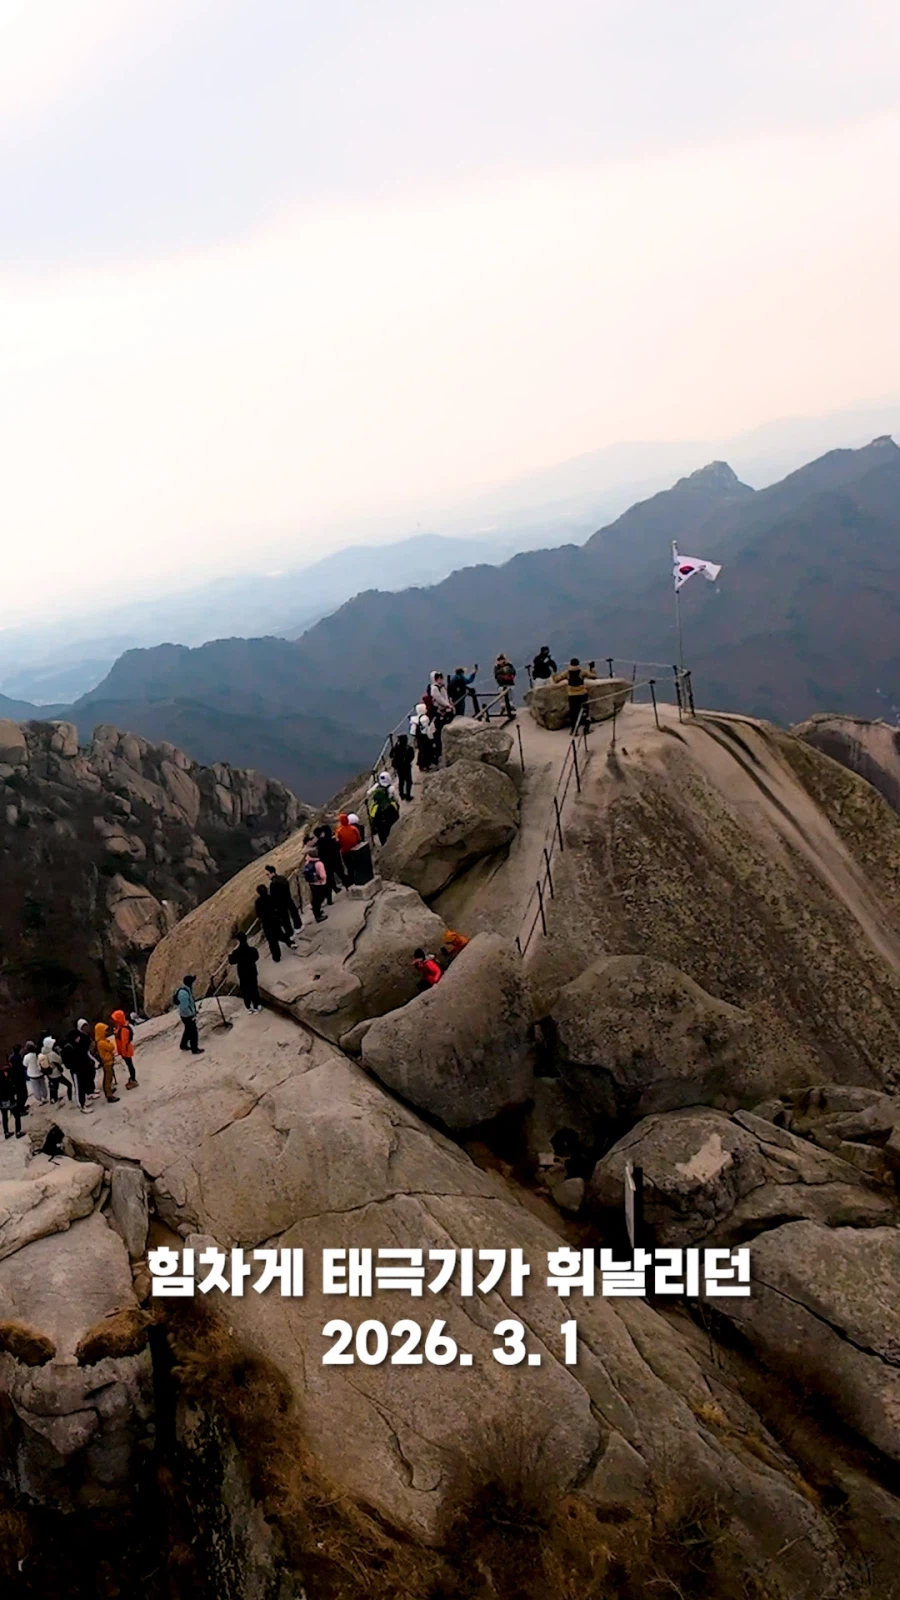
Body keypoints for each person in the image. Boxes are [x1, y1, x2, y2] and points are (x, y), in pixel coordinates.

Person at [553, 657, 598, 731]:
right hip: (582, 695)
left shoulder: (567, 673)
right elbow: (594, 676)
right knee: (585, 712)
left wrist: (554, 673)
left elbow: (556, 680)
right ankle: (586, 728)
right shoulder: (582, 672)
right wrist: (592, 668)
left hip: (572, 695)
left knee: (574, 713)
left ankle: (574, 729)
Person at [255, 883, 294, 962]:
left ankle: (276, 957)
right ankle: (290, 943)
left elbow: (258, 914)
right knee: (280, 934)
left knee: (272, 941)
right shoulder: (272, 898)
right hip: (275, 920)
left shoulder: (258, 902)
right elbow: (278, 907)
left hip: (266, 923)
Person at [265, 862, 302, 935]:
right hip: (288, 898)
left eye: (268, 874)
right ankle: (298, 926)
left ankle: (290, 933)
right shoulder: (283, 878)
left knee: (285, 919)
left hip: (280, 904)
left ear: (272, 873)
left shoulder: (273, 884)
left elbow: (273, 897)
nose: (267, 876)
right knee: (294, 913)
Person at [229, 931, 262, 1012]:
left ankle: (248, 1006)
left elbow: (232, 961)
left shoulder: (236, 952)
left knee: (245, 990)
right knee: (254, 988)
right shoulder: (252, 950)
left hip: (243, 973)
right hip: (252, 971)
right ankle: (257, 1004)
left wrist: (230, 953)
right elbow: (256, 957)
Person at [63, 1029, 94, 1113]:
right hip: (76, 1071)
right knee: (79, 1088)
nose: (79, 1038)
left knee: (83, 1086)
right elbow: (67, 1063)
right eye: (78, 1037)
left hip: (82, 1069)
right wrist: (76, 1065)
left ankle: (83, 1101)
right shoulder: (68, 1048)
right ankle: (81, 1105)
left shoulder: (77, 1044)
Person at [367, 772, 400, 845]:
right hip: (388, 808)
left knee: (380, 828)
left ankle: (383, 842)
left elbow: (368, 792)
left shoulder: (376, 786)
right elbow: (394, 798)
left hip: (377, 810)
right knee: (391, 824)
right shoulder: (390, 788)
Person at [175, 976, 204, 1055]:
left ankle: (183, 1045)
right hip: (187, 1016)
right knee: (194, 1032)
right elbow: (184, 1007)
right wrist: (191, 1015)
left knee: (188, 1030)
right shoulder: (184, 994)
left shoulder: (186, 990)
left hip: (186, 1015)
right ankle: (194, 1049)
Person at [314, 824, 344, 898]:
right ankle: (347, 886)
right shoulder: (329, 839)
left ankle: (331, 896)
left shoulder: (318, 844)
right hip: (335, 860)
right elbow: (337, 846)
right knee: (341, 874)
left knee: (330, 879)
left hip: (326, 864)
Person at [111, 1009, 138, 1089]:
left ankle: (133, 1080)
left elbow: (124, 1042)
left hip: (126, 1051)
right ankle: (132, 1078)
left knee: (130, 1065)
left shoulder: (124, 1029)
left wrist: (123, 1052)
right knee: (129, 1065)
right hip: (124, 1050)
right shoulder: (121, 1026)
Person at [94, 1022, 120, 1103]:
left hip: (108, 1061)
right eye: (104, 1030)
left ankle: (109, 1091)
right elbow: (111, 1047)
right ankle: (109, 1095)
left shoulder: (102, 1041)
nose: (106, 1032)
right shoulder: (101, 1042)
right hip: (107, 1062)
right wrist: (109, 1042)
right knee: (107, 1079)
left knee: (109, 1077)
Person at [40, 1036, 71, 1103]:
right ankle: (70, 1099)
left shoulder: (42, 1052)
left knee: (53, 1087)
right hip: (56, 1073)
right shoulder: (52, 1054)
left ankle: (53, 1100)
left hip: (49, 1073)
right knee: (69, 1085)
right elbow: (60, 1061)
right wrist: (59, 1052)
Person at [302, 850, 329, 922]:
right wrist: (323, 879)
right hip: (320, 883)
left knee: (316, 899)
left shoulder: (308, 863)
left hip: (312, 883)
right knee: (319, 899)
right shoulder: (319, 863)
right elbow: (323, 876)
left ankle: (317, 912)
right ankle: (318, 915)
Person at [0, 1057, 23, 1138]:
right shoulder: (8, 1080)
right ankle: (18, 1132)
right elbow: (13, 1089)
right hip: (10, 1100)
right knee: (17, 1116)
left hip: (1, 1102)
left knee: (4, 1117)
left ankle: (6, 1133)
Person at [77, 1019, 99, 1100]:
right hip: (85, 1057)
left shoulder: (87, 1035)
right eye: (84, 1026)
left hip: (90, 1056)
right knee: (88, 1075)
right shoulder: (80, 1037)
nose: (87, 1027)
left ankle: (92, 1088)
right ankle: (89, 1092)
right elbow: (83, 1048)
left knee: (92, 1073)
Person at [335, 813, 361, 878]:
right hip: (356, 850)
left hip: (345, 852)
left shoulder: (339, 831)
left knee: (349, 867)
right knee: (358, 865)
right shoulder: (353, 828)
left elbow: (337, 841)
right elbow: (359, 838)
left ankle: (352, 879)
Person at [391, 733, 415, 801]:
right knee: (409, 781)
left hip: (399, 767)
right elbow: (412, 757)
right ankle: (408, 796)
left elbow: (391, 755)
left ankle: (401, 794)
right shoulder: (409, 748)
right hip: (406, 767)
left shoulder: (396, 748)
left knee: (401, 781)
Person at [493, 654, 517, 718]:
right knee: (502, 698)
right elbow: (497, 676)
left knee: (510, 697)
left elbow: (514, 672)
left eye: (502, 659)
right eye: (500, 660)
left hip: (510, 684)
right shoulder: (496, 667)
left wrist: (511, 676)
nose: (501, 661)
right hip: (502, 684)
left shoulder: (509, 665)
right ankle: (503, 708)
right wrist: (504, 677)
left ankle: (511, 708)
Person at [23, 1040, 46, 1104]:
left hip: (32, 1074)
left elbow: (25, 1065)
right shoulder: (38, 1054)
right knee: (43, 1086)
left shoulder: (26, 1057)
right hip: (40, 1073)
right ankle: (45, 1096)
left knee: (36, 1088)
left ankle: (39, 1099)